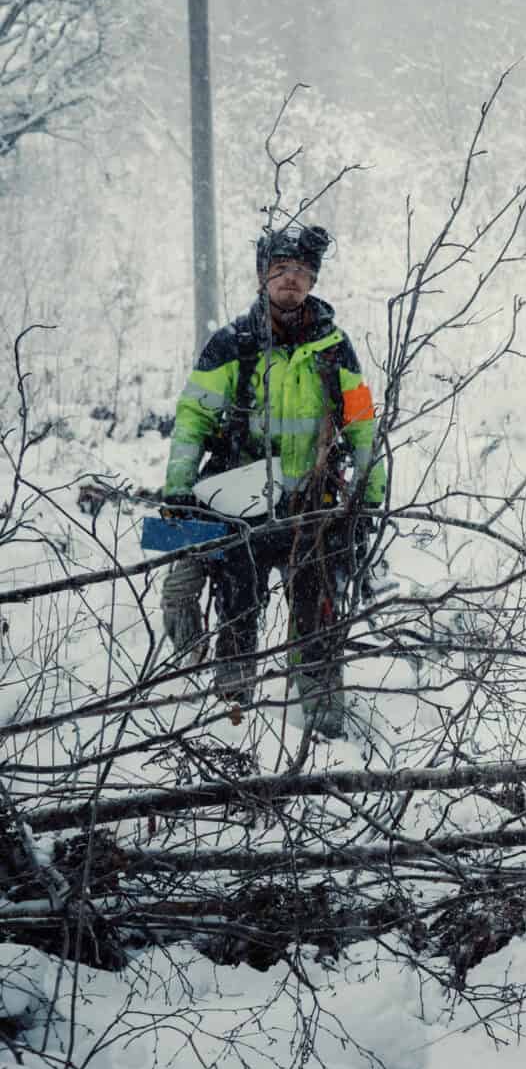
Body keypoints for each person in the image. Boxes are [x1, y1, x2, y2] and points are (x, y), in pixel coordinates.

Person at [163, 223, 387, 736]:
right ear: (264, 276)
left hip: (314, 510)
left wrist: (368, 497)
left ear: (313, 281)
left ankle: (322, 716)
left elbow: (362, 424)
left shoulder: (336, 349)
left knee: (317, 616)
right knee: (236, 608)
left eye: (302, 273)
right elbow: (192, 420)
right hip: (240, 509)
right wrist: (178, 490)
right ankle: (229, 714)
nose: (291, 281)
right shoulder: (230, 345)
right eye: (281, 271)